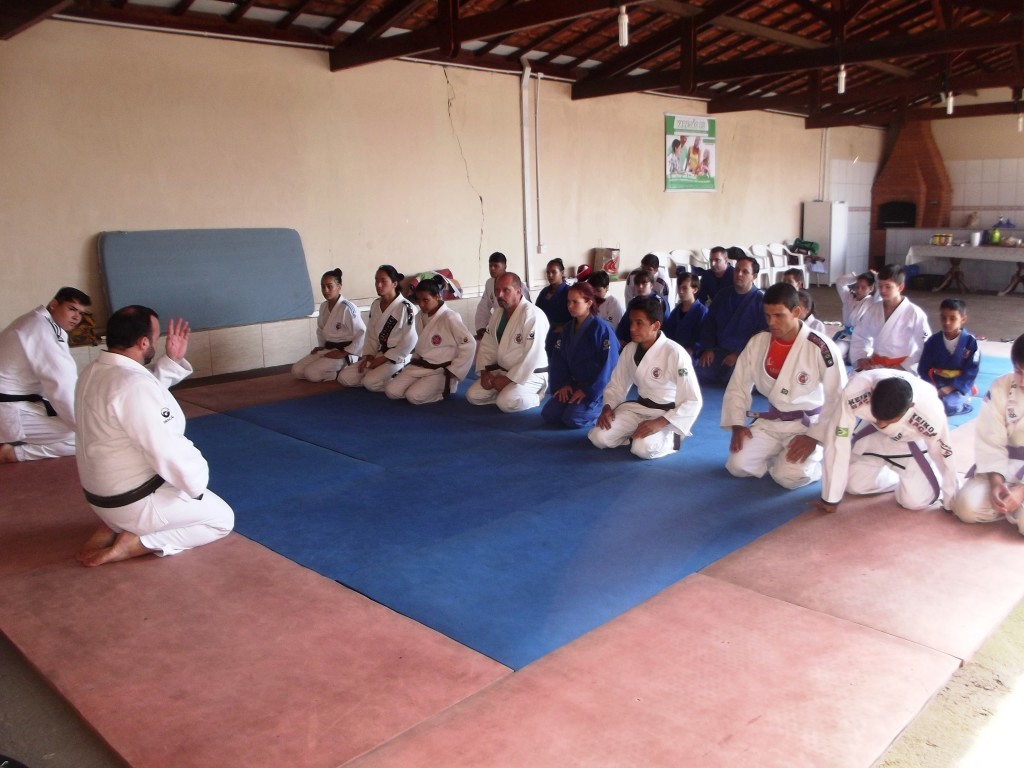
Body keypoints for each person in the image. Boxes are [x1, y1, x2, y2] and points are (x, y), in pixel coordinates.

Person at [74, 306, 234, 566]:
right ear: (143, 342)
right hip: (131, 502)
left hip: (102, 498)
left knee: (171, 484)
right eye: (156, 338)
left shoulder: (93, 372)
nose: (156, 344)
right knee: (221, 519)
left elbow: (139, 396)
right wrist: (195, 486)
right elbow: (166, 450)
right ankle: (137, 542)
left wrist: (171, 360)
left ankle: (117, 525)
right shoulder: (132, 384)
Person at [722, 283, 847, 489]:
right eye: (767, 315)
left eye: (779, 315)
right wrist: (736, 424)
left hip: (807, 426)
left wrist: (814, 438)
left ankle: (813, 462)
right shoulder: (758, 342)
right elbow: (738, 385)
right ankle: (779, 457)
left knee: (788, 478)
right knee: (737, 466)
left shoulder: (821, 347)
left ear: (796, 312)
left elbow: (838, 396)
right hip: (773, 422)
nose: (772, 322)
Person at [815, 370, 959, 514]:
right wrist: (830, 498)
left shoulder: (930, 411)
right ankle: (895, 477)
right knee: (854, 486)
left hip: (910, 445)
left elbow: (944, 453)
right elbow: (838, 439)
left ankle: (921, 476)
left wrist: (950, 500)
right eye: (878, 417)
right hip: (871, 437)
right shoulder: (856, 389)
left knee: (915, 503)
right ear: (872, 395)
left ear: (910, 406)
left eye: (888, 421)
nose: (882, 425)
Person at [589, 296, 702, 460]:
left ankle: (672, 439)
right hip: (639, 409)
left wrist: (660, 422)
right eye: (631, 322)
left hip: (667, 415)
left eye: (639, 323)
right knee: (598, 437)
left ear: (655, 325)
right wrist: (608, 407)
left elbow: (693, 399)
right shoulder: (630, 349)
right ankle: (633, 434)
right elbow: (618, 384)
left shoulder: (675, 353)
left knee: (641, 449)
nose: (632, 328)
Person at [0, 287, 91, 463]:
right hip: (10, 411)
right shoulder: (41, 329)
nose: (76, 318)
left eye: (80, 313)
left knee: (84, 430)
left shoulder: (37, 322)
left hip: (21, 404)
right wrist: (86, 427)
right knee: (84, 439)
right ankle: (13, 454)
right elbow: (61, 386)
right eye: (71, 309)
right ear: (54, 305)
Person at [952, 334, 1024, 535]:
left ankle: (1017, 508)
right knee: (966, 507)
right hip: (1004, 465)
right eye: (1019, 371)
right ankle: (1011, 507)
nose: (1023, 381)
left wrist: (1022, 491)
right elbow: (990, 439)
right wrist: (996, 483)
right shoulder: (1002, 386)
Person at [384, 276, 475, 405]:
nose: (421, 304)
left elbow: (469, 344)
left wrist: (454, 370)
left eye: (426, 300)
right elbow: (422, 344)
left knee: (413, 396)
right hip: (421, 365)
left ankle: (443, 389)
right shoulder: (419, 317)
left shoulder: (450, 317)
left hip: (441, 370)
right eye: (418, 300)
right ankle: (423, 386)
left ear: (437, 296)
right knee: (391, 391)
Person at [467, 272, 550, 412]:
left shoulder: (533, 315)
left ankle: (536, 396)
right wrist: (484, 372)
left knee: (506, 403)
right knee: (473, 395)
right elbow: (488, 345)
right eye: (497, 290)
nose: (500, 295)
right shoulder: (498, 313)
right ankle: (506, 392)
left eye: (506, 290)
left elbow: (532, 353)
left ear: (518, 291)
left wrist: (510, 379)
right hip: (503, 371)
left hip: (530, 373)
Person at [541, 281, 619, 428]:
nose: (570, 306)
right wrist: (563, 384)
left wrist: (589, 390)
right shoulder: (567, 329)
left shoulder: (602, 329)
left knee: (573, 419)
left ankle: (602, 408)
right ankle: (576, 402)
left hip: (598, 388)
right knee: (550, 414)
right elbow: (558, 359)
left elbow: (610, 366)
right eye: (568, 302)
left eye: (575, 302)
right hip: (574, 384)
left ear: (589, 303)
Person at [339, 265, 418, 391]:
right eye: (376, 280)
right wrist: (369, 356)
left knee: (370, 382)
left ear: (394, 283)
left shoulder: (406, 308)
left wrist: (383, 359)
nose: (379, 285)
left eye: (383, 281)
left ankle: (399, 381)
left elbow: (410, 341)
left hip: (398, 357)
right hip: (379, 354)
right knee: (344, 377)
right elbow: (370, 334)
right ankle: (377, 378)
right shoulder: (376, 305)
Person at [696, 253, 767, 387]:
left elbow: (762, 336)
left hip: (745, 355)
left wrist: (738, 354)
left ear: (754, 276)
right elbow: (709, 325)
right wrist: (708, 348)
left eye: (745, 271)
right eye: (737, 270)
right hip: (719, 352)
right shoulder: (722, 295)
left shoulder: (760, 301)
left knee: (735, 380)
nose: (739, 274)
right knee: (698, 372)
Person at [850, 264, 930, 374]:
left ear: (900, 287)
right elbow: (860, 335)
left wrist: (905, 366)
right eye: (880, 286)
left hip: (902, 368)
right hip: (875, 365)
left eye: (888, 286)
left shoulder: (914, 313)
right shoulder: (873, 309)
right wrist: (861, 357)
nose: (883, 290)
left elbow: (925, 345)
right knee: (851, 385)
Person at [291, 268, 366, 383]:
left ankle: (338, 372)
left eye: (329, 286)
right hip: (328, 349)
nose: (325, 290)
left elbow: (362, 333)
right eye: (323, 286)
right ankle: (328, 369)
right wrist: (322, 346)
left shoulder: (347, 308)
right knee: (297, 370)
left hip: (345, 353)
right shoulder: (323, 307)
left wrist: (344, 352)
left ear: (339, 286)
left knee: (311, 373)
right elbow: (321, 330)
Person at [917, 298, 980, 416]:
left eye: (952, 318)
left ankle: (965, 397)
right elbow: (923, 368)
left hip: (958, 385)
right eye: (943, 318)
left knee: (949, 407)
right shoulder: (933, 341)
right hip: (936, 382)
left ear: (963, 319)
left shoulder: (970, 342)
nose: (947, 322)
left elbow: (971, 370)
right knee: (917, 404)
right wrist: (932, 386)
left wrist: (950, 388)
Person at [474, 251, 530, 340]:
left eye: (496, 266)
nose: (492, 268)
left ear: (505, 266)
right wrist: (481, 327)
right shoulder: (489, 283)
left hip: (517, 324)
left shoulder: (515, 283)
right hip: (499, 323)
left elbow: (526, 307)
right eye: (490, 266)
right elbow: (483, 307)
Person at [833, 270, 879, 363]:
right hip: (847, 336)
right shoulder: (848, 297)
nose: (859, 290)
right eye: (857, 286)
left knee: (859, 362)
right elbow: (840, 282)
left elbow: (880, 293)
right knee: (835, 354)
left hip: (863, 339)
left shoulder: (873, 302)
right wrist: (857, 277)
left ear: (871, 289)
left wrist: (876, 277)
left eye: (863, 287)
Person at [616, 271, 670, 348]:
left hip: (653, 344)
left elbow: (665, 325)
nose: (640, 286)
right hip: (631, 342)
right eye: (637, 284)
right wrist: (620, 338)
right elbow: (624, 323)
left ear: (651, 285)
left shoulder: (660, 302)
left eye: (644, 283)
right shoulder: (634, 302)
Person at [535, 258, 572, 359]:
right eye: (548, 272)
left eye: (553, 272)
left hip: (561, 335)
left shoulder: (569, 292)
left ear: (562, 272)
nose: (550, 275)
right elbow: (536, 311)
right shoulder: (544, 292)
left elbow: (578, 316)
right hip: (544, 333)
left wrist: (565, 327)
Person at [662, 272, 707, 357]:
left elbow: (704, 337)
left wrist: (693, 349)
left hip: (694, 357)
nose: (681, 291)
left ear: (695, 289)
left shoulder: (702, 312)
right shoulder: (676, 311)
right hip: (674, 352)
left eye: (685, 288)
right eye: (679, 288)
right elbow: (668, 332)